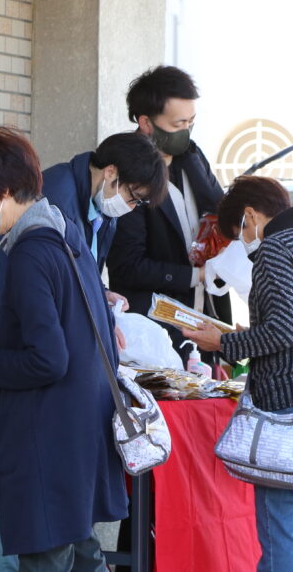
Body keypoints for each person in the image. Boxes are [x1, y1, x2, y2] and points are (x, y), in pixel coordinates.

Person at [0, 128, 129, 571]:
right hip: (81, 438)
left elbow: (48, 358)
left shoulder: (30, 252)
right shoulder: (68, 238)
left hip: (44, 443)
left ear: (3, 190)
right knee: (85, 557)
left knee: (46, 559)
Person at [181, 176, 293, 571]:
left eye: (238, 234)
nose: (242, 245)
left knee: (283, 540)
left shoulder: (275, 249)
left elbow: (284, 330)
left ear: (251, 216)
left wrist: (223, 343)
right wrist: (248, 337)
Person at [0, 131, 167, 333]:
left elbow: (80, 271)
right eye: (133, 196)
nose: (131, 207)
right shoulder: (57, 203)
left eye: (138, 202)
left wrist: (101, 294)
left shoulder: (102, 206)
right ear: (110, 172)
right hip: (2, 326)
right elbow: (58, 287)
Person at [106, 65, 231, 366]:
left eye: (191, 121)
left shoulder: (193, 155)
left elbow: (220, 210)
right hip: (152, 327)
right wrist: (196, 275)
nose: (186, 130)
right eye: (178, 123)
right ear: (146, 122)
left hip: (205, 316)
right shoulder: (123, 167)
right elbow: (127, 267)